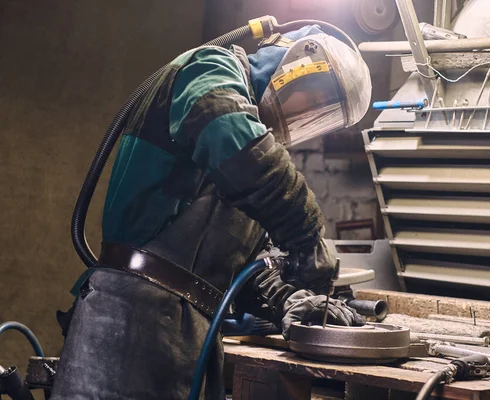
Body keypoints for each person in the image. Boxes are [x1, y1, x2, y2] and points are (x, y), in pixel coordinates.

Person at [51, 24, 372, 399]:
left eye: (323, 117)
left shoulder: (248, 159)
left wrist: (288, 299)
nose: (307, 116)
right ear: (295, 61)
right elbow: (223, 127)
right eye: (313, 100)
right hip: (128, 320)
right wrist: (305, 232)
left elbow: (240, 264)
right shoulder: (210, 70)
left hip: (189, 333)